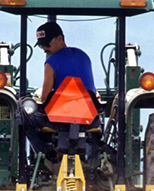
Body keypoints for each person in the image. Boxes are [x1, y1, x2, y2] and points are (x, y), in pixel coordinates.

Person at [20, 22, 98, 159]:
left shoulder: (51, 62)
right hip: (89, 119)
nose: (44, 48)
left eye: (47, 44)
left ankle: (44, 153)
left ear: (60, 39)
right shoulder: (84, 56)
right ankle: (93, 157)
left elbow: (44, 98)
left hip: (59, 121)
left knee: (24, 116)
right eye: (41, 45)